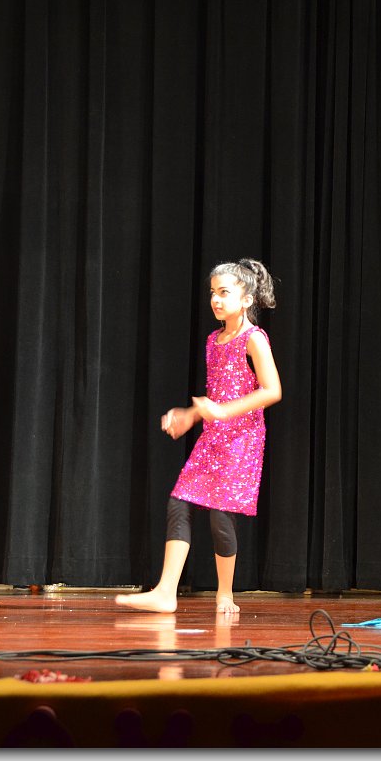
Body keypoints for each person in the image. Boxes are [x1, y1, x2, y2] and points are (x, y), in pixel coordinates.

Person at [117, 258, 281, 615]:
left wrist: (222, 412)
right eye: (212, 293)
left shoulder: (254, 339)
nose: (216, 300)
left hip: (242, 440)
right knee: (180, 502)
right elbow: (215, 396)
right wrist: (191, 415)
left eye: (224, 292)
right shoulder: (212, 341)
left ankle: (225, 593)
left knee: (220, 514)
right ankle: (165, 592)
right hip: (213, 437)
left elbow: (272, 390)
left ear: (246, 299)